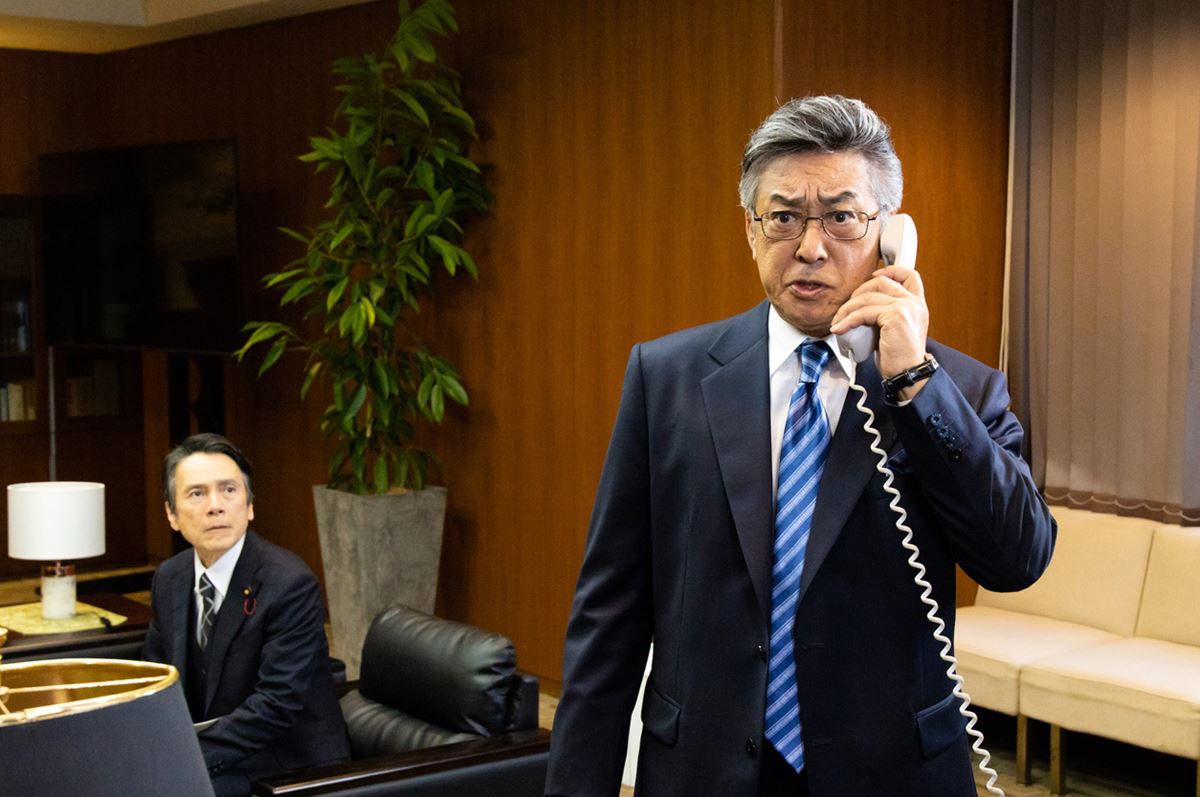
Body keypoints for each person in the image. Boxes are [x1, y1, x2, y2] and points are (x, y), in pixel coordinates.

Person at [545, 96, 1056, 796]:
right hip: (703, 770)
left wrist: (914, 382)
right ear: (750, 230)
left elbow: (1018, 559)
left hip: (889, 775)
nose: (811, 247)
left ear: (890, 233)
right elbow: (609, 618)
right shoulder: (666, 379)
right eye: (783, 217)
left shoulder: (959, 390)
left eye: (841, 217)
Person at [143, 433, 349, 796]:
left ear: (250, 506)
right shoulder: (170, 577)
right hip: (214, 751)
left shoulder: (289, 583)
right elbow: (156, 678)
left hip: (286, 761)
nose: (215, 506)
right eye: (197, 494)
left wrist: (185, 755)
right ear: (171, 515)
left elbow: (277, 703)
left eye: (228, 490)